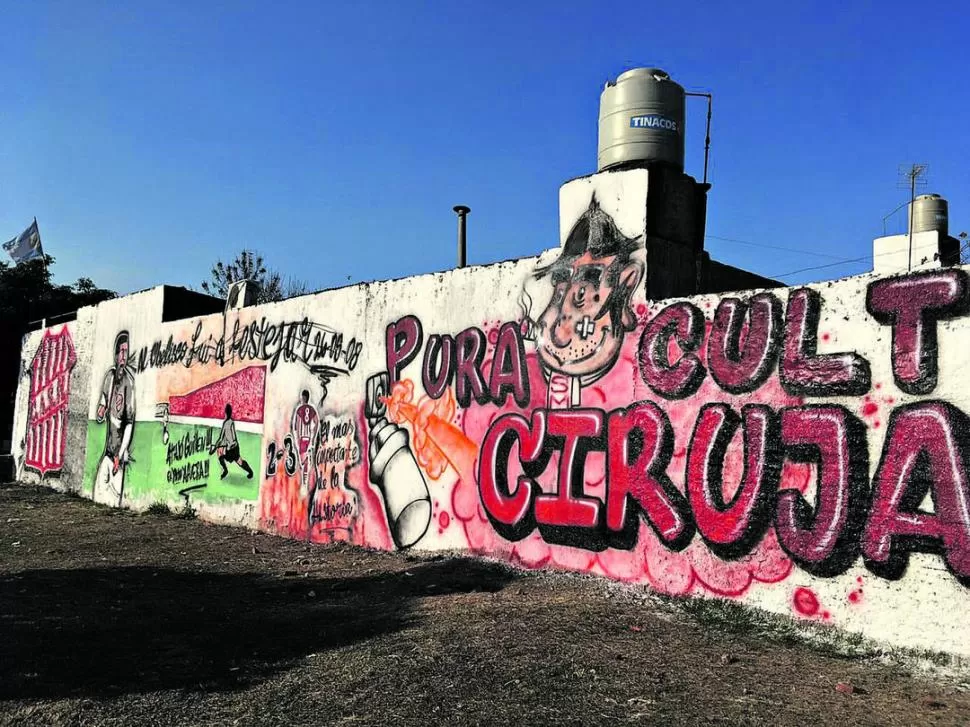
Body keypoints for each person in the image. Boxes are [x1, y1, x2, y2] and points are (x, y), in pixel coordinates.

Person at [95, 331, 135, 506]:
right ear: (116, 354)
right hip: (107, 453)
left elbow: (129, 424)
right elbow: (104, 398)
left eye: (127, 351)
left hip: (118, 456)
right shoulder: (110, 377)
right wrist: (101, 409)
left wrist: (120, 453)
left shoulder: (129, 384)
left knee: (112, 503)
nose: (124, 356)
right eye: (121, 351)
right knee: (98, 498)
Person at [211, 403, 254, 479]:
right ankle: (250, 472)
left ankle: (225, 470)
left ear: (226, 413)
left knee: (220, 455)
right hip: (235, 447)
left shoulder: (225, 424)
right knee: (240, 461)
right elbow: (233, 436)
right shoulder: (232, 422)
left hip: (231, 449)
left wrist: (215, 448)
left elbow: (221, 438)